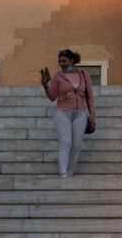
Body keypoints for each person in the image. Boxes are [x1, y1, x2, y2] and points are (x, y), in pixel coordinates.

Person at [41, 49, 96, 178]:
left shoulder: (84, 75)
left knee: (76, 145)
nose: (62, 64)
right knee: (66, 142)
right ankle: (63, 173)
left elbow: (90, 96)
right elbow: (52, 97)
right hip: (62, 112)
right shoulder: (58, 77)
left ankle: (70, 173)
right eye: (60, 61)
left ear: (72, 60)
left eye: (64, 61)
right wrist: (45, 85)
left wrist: (92, 114)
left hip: (80, 113)